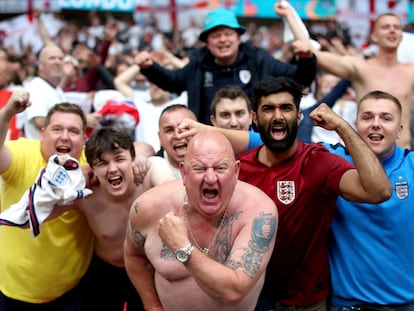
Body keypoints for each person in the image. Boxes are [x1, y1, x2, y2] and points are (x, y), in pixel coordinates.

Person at [175, 76, 392, 310]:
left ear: (298, 116)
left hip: (307, 303)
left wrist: (341, 126)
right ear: (255, 119)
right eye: (268, 109)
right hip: (250, 300)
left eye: (286, 108)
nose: (278, 116)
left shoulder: (318, 162)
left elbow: (378, 191)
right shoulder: (239, 169)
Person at [124, 131, 278, 311]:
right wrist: (152, 306)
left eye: (220, 168)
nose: (211, 178)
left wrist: (181, 246)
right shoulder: (149, 207)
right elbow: (133, 254)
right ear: (183, 172)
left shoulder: (258, 211)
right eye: (199, 168)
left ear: (236, 171)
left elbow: (234, 292)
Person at [134, 6, 316, 124]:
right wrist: (150, 67)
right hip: (209, 143)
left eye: (227, 34)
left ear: (238, 37)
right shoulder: (199, 63)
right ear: (207, 42)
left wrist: (306, 58)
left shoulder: (258, 59)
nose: (222, 40)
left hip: (254, 141)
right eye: (215, 35)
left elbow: (299, 80)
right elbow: (172, 82)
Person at [0, 94, 95, 310]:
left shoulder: (93, 166)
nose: (65, 137)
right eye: (57, 129)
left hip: (71, 294)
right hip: (13, 293)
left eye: (73, 131)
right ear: (42, 134)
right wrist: (6, 114)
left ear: (84, 138)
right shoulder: (24, 153)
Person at [275, 2, 414, 149]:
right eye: (386, 27)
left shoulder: (411, 72)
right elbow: (314, 52)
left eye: (396, 27)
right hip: (367, 156)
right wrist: (289, 15)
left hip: (403, 155)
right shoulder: (360, 67)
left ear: (401, 35)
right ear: (374, 35)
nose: (392, 31)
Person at [327, 91, 414, 310]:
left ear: (399, 130)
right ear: (354, 125)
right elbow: (267, 144)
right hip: (348, 305)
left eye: (386, 118)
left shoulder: (411, 165)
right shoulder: (331, 160)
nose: (376, 124)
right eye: (367, 117)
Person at [76, 127, 176, 310]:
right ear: (93, 169)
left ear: (133, 159)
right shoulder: (84, 190)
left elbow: (172, 188)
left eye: (120, 159)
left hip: (149, 268)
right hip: (106, 272)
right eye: (103, 163)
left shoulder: (151, 169)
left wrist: (148, 161)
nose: (113, 168)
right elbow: (37, 210)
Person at [23, 43, 67, 139]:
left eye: (61, 59)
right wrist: (75, 124)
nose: (58, 62)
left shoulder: (57, 90)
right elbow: (40, 121)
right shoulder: (36, 85)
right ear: (40, 65)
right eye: (52, 58)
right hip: (38, 152)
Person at [157, 104, 197, 178]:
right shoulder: (148, 170)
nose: (178, 136)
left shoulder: (215, 163)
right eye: (169, 130)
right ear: (160, 138)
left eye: (185, 127)